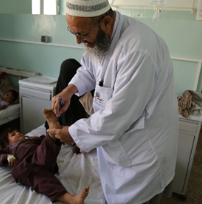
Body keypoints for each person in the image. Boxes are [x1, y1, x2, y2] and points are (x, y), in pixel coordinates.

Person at [47, 1, 179, 203]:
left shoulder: (138, 49)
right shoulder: (101, 39)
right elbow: (89, 69)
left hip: (142, 154)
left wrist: (72, 133)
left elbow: (118, 115)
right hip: (119, 148)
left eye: (82, 35)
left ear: (106, 22)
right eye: (73, 32)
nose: (77, 41)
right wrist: (69, 90)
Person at [0, 109, 89, 204]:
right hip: (29, 165)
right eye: (13, 135)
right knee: (45, 183)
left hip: (42, 156)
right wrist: (8, 156)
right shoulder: (9, 148)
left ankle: (52, 131)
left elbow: (44, 143)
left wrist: (38, 139)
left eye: (18, 132)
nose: (18, 133)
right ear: (7, 144)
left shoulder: (31, 140)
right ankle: (72, 199)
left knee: (47, 145)